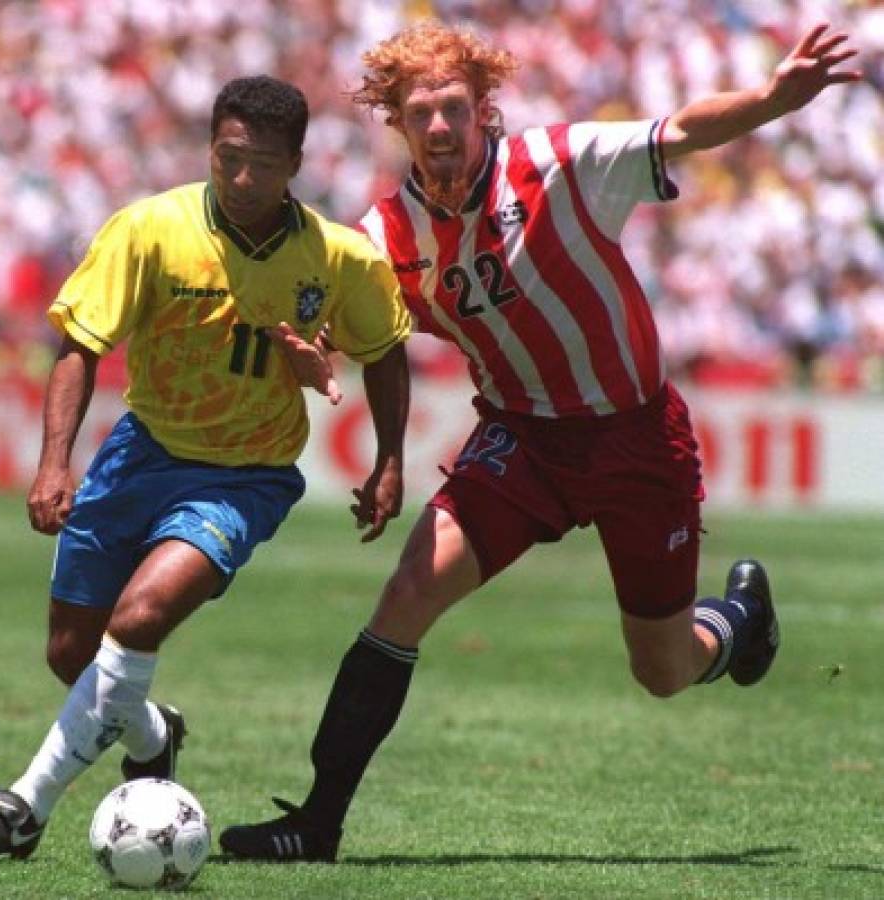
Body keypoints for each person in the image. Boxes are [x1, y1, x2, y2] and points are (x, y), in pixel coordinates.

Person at [219, 20, 862, 861]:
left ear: (486, 110)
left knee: (662, 670)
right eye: (422, 112)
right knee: (406, 596)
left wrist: (776, 100)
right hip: (520, 442)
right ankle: (318, 822)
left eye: (455, 107)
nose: (441, 126)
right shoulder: (380, 241)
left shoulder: (561, 164)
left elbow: (684, 129)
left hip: (637, 440)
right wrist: (316, 355)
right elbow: (351, 327)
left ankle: (738, 623)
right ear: (398, 125)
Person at [0, 74, 411, 859]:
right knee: (71, 653)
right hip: (141, 453)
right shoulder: (150, 229)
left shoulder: (337, 258)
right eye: (229, 158)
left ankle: (25, 806)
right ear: (211, 147)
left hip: (245, 475)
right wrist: (53, 463)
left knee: (137, 621)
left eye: (263, 164)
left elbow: (386, 349)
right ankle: (156, 735)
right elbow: (81, 345)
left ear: (295, 163)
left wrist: (391, 460)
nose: (242, 179)